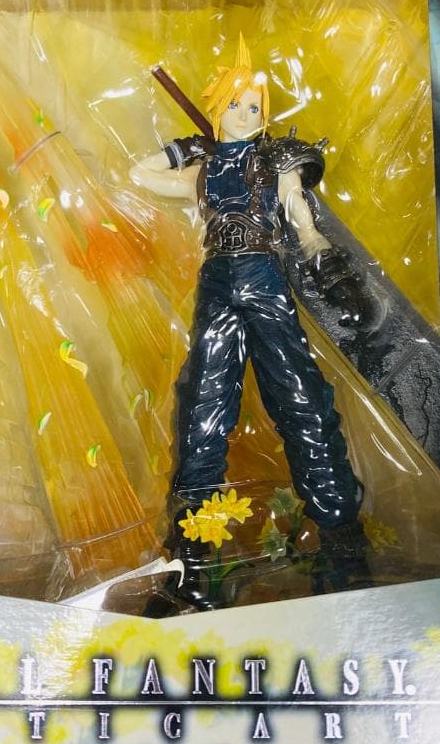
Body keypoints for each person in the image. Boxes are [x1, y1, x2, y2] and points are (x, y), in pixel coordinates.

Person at [130, 36, 368, 609]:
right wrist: (188, 147)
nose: (245, 113)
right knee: (202, 409)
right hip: (217, 284)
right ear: (217, 109)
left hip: (264, 277)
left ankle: (342, 539)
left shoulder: (276, 162)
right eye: (234, 104)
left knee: (300, 399)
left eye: (254, 105)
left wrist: (324, 261)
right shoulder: (204, 169)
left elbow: (301, 219)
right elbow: (140, 174)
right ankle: (192, 554)